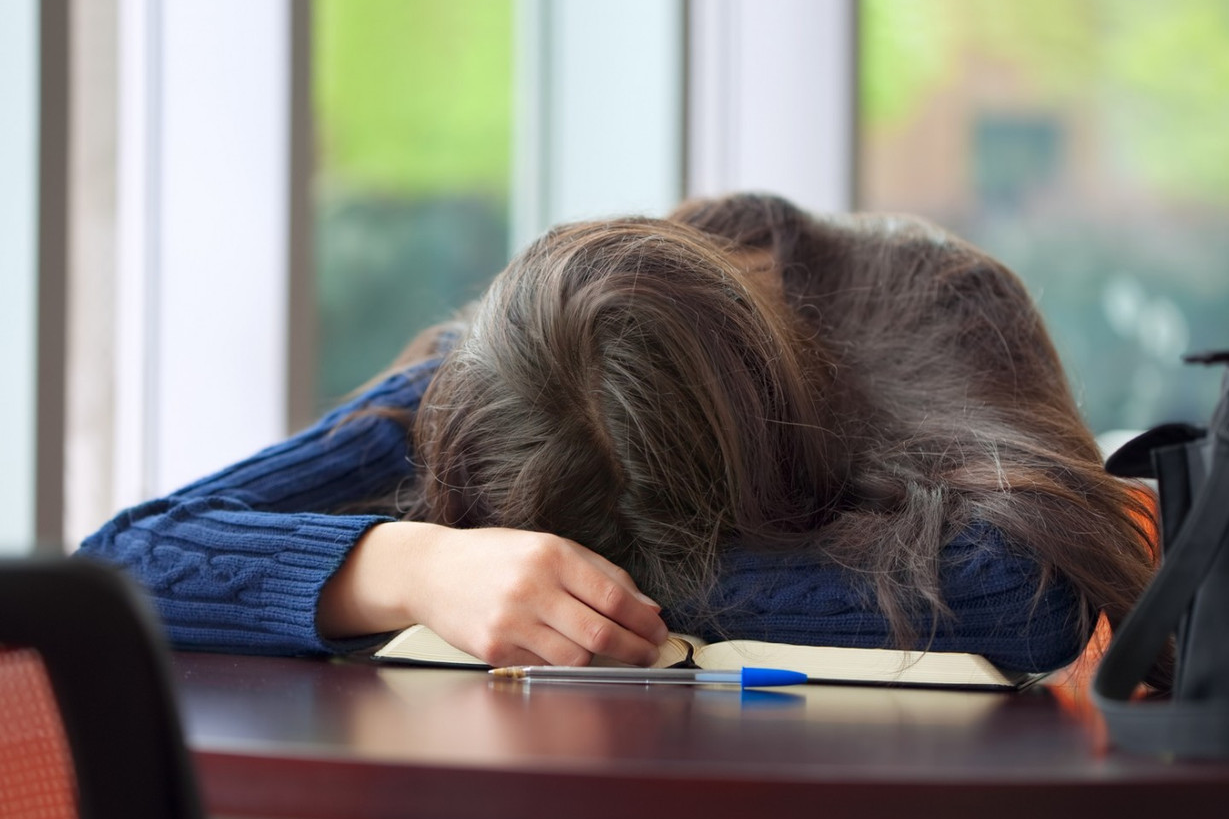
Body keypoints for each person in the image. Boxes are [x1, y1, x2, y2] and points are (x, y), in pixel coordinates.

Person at [77, 193, 1157, 680]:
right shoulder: (515, 368)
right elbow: (122, 566)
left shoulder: (932, 303)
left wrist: (596, 598)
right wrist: (414, 563)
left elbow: (1033, 590)